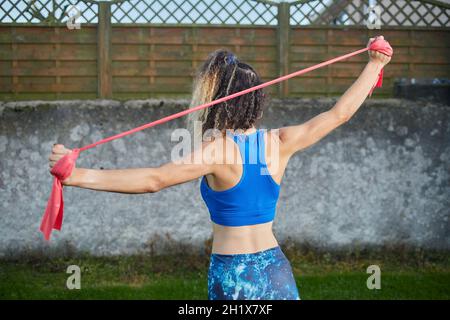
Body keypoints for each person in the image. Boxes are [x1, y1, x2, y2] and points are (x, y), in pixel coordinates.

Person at [48, 36, 391, 300]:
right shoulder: (281, 141)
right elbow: (339, 114)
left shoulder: (217, 151)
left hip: (234, 274)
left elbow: (155, 179)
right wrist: (375, 64)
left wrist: (77, 175)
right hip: (275, 268)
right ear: (255, 100)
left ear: (219, 102)